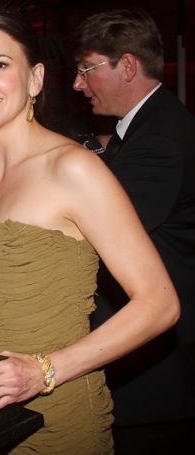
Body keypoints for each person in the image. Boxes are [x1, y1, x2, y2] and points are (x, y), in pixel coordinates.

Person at [0, 8, 180, 455]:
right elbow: (0, 312)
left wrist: (44, 371)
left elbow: (159, 304)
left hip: (62, 417)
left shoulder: (74, 169)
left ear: (36, 79)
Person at [71, 8, 195, 454]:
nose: (78, 84)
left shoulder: (158, 140)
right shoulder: (144, 129)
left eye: (87, 69)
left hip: (155, 377)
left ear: (126, 65)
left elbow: (94, 237)